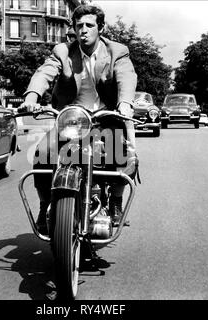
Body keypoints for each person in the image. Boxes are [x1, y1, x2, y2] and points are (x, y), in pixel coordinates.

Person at [19, 4, 138, 234]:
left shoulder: (116, 51)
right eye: (79, 25)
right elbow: (44, 72)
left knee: (126, 155)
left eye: (89, 25)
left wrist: (125, 103)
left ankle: (114, 201)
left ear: (100, 28)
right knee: (42, 154)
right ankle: (45, 207)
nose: (83, 30)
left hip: (106, 117)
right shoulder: (63, 52)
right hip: (72, 119)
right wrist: (32, 96)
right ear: (73, 28)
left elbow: (126, 77)